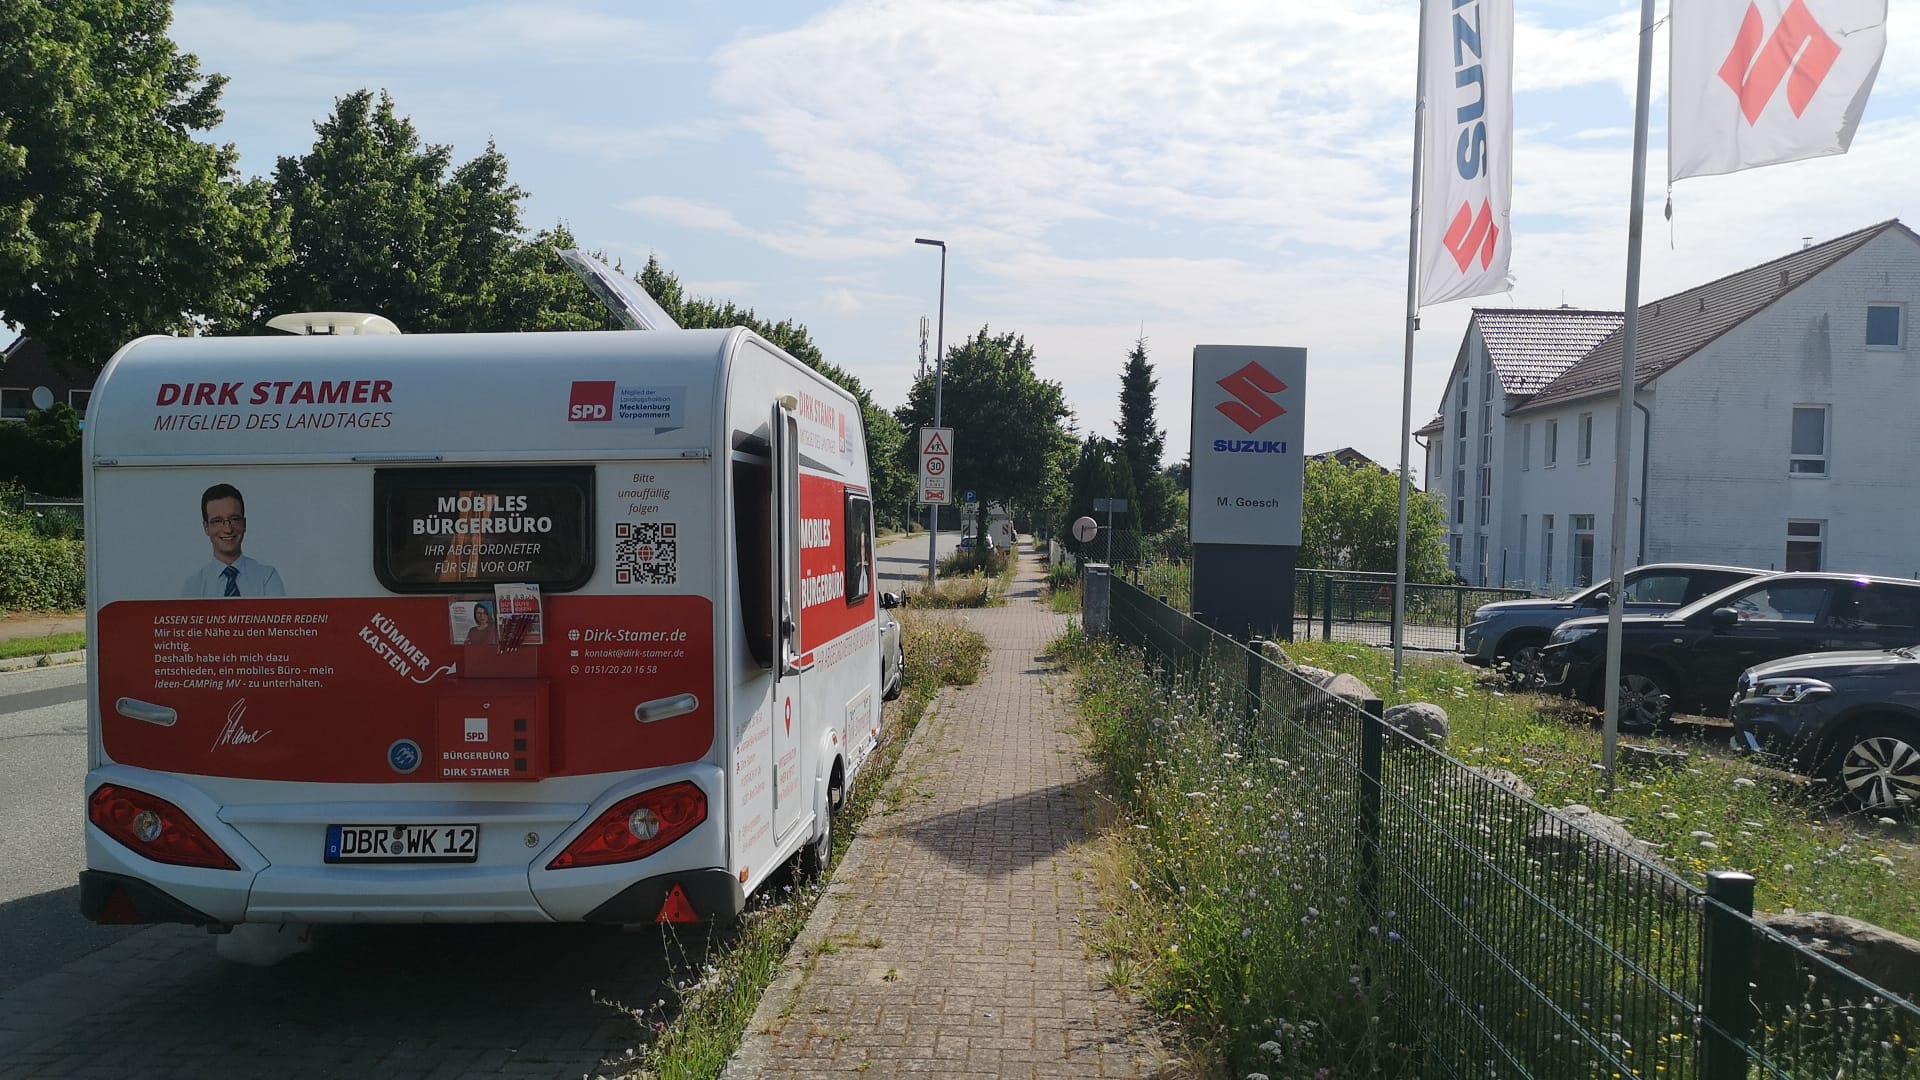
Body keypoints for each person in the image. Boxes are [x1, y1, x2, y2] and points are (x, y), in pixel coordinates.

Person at [182, 483, 286, 598]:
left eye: (235, 519)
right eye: (217, 521)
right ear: (206, 527)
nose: (228, 529)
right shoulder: (193, 586)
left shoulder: (267, 578)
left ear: (244, 524)